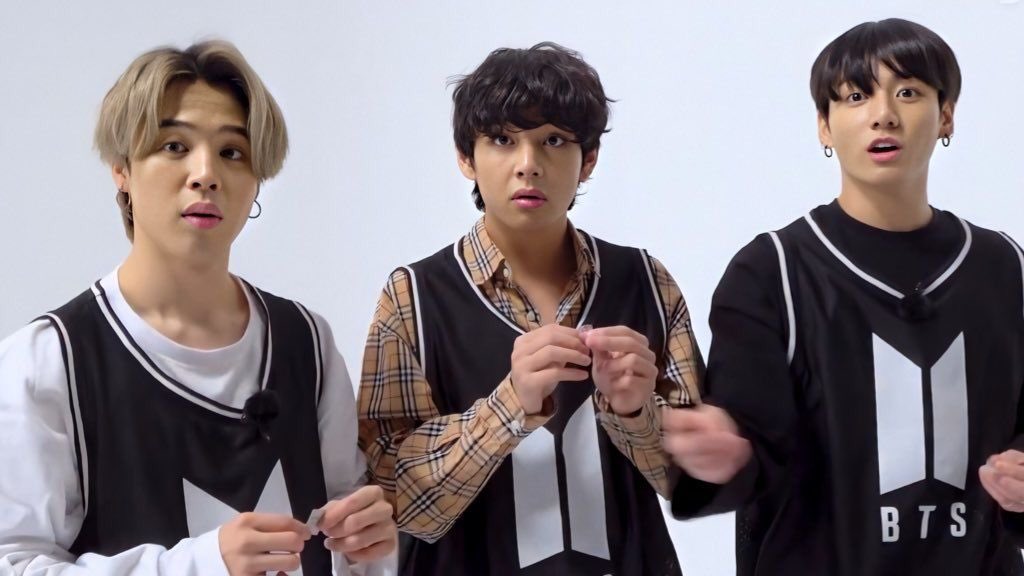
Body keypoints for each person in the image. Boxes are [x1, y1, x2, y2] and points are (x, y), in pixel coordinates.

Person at [0, 40, 396, 575]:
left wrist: (369, 543)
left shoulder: (307, 341)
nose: (205, 173)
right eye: (174, 146)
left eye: (232, 152)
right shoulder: (48, 362)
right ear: (121, 168)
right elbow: (15, 562)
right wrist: (203, 564)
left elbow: (348, 535)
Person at [664, 18, 1024, 575]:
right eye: (856, 96)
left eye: (909, 92)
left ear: (946, 114)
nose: (884, 114)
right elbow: (752, 446)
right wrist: (722, 456)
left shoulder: (1004, 267)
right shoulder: (771, 272)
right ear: (824, 127)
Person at [357, 41, 704, 575]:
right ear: (466, 158)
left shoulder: (646, 282)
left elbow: (699, 483)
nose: (528, 165)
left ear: (588, 160)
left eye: (553, 140)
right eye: (502, 139)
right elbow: (392, 496)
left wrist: (638, 414)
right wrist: (508, 407)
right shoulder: (414, 297)